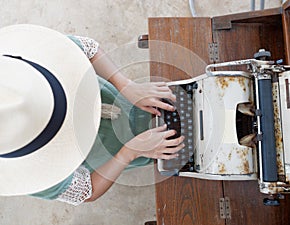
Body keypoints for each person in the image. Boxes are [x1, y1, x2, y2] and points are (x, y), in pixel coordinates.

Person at [0, 24, 185, 206]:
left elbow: (87, 49)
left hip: (132, 98)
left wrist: (125, 84)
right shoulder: (34, 175)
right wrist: (129, 153)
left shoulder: (14, 68)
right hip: (131, 147)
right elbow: (88, 191)